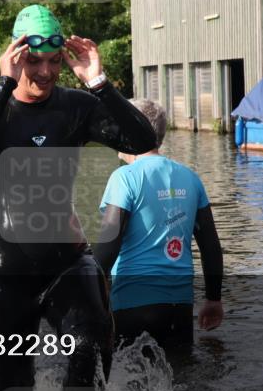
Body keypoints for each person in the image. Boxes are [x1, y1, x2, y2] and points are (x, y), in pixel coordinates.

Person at [0, 4, 156, 391]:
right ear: (14, 55)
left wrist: (98, 82)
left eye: (53, 61)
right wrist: (4, 85)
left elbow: (143, 139)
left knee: (90, 344)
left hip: (64, 260)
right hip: (2, 274)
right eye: (33, 61)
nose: (45, 72)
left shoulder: (77, 106)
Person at [92, 98, 224, 351]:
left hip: (133, 304)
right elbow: (210, 246)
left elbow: (108, 246)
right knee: (181, 379)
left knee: (130, 382)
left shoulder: (125, 178)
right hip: (181, 307)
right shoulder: (190, 177)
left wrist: (91, 299)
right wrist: (213, 299)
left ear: (130, 132)